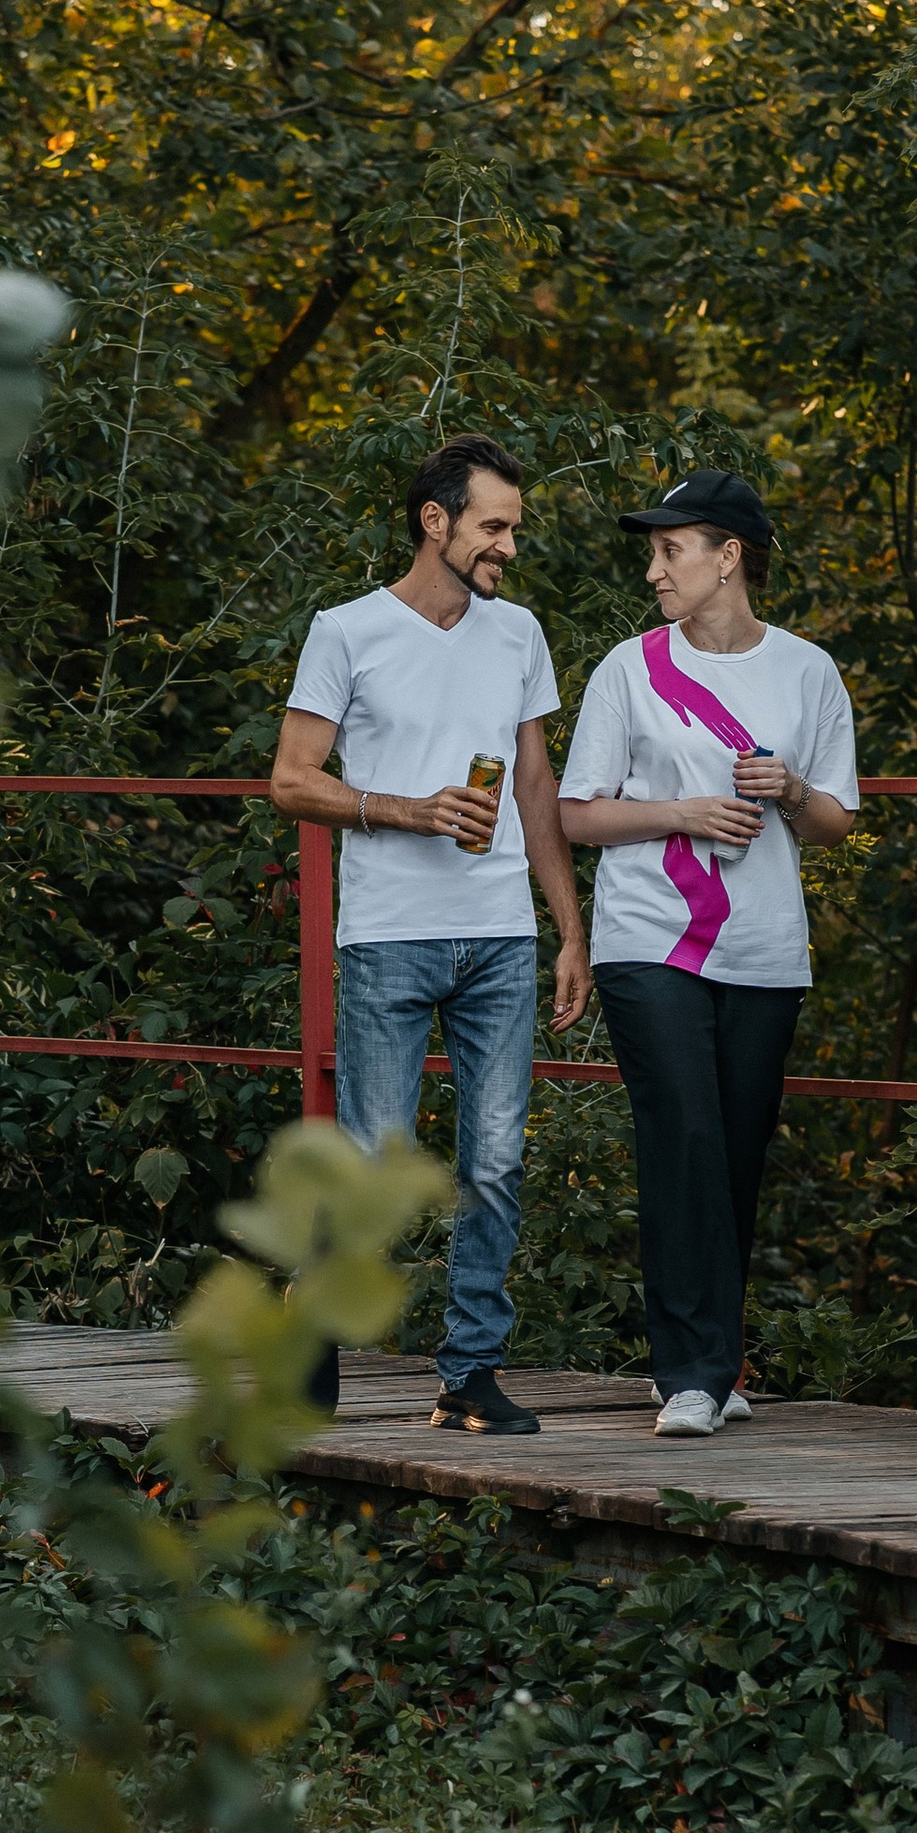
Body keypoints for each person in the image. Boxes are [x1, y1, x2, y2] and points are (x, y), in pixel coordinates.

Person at [270, 435, 591, 1431]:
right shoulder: (347, 631)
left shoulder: (518, 634)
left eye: (513, 528)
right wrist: (410, 810)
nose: (507, 546)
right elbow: (290, 778)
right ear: (435, 520)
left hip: (499, 937)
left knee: (494, 1162)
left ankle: (470, 1374)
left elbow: (535, 787)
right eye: (493, 526)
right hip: (391, 936)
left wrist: (568, 929)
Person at [558, 468, 857, 1439]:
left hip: (765, 949)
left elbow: (835, 823)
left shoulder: (807, 671)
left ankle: (714, 1361)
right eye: (653, 550)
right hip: (651, 938)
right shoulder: (628, 668)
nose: (653, 569)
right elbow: (575, 814)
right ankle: (689, 1369)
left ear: (728, 557)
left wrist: (791, 788)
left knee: (734, 1150)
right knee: (681, 1132)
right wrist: (680, 812)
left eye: (669, 548)